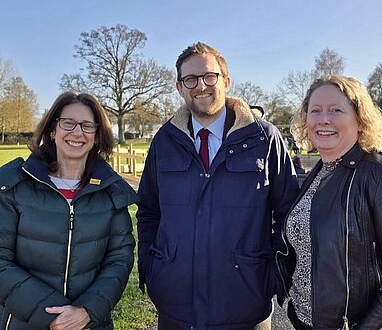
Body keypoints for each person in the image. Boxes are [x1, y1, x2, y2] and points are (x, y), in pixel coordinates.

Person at [136, 42, 299, 330]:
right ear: (179, 87)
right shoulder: (165, 140)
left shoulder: (264, 138)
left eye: (209, 76)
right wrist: (153, 269)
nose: (201, 86)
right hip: (176, 306)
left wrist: (273, 276)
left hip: (246, 305)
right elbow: (149, 210)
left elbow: (289, 215)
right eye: (191, 79)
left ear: (226, 81)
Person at [276, 75, 382, 330]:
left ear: (359, 120)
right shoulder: (320, 171)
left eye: (336, 110)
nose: (324, 119)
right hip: (303, 321)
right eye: (315, 111)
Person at [0, 91, 137, 330]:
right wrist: (53, 315)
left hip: (90, 323)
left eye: (87, 126)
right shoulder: (15, 186)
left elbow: (119, 259)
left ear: (97, 137)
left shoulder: (111, 192)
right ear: (52, 130)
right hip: (23, 322)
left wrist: (86, 311)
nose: (77, 132)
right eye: (68, 123)